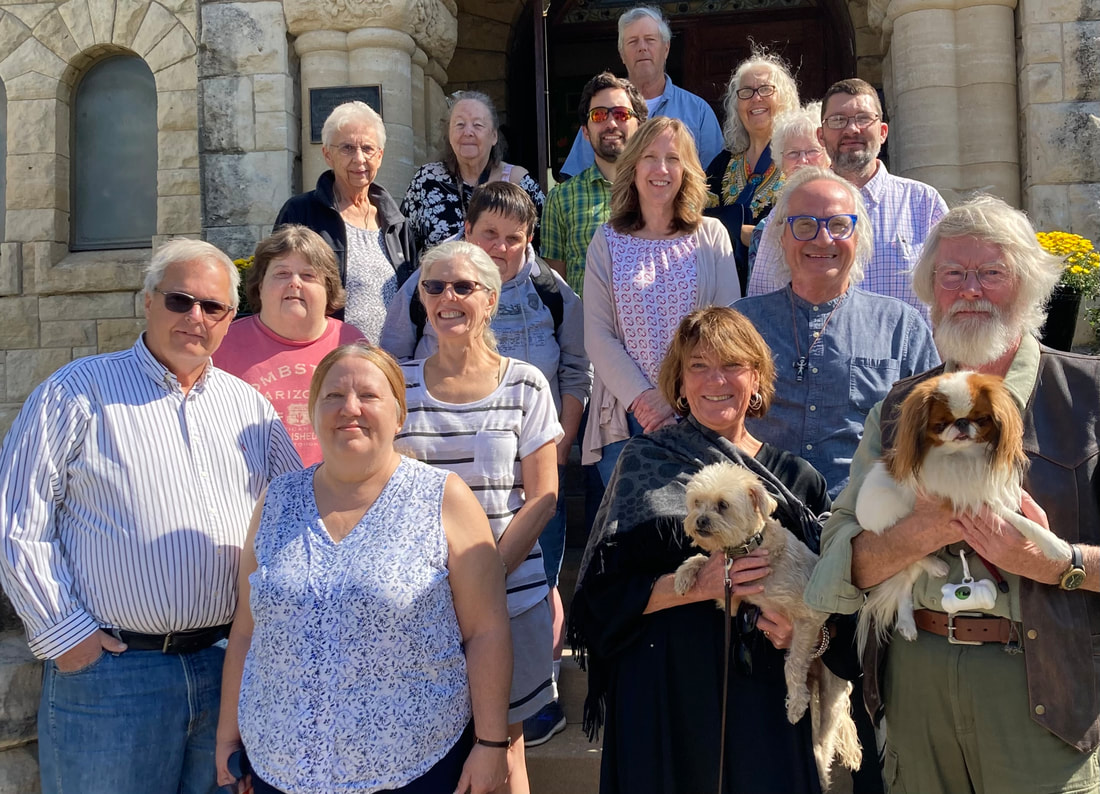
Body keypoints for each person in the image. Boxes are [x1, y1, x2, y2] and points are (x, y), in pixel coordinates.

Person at [806, 195, 1100, 794]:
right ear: (931, 292)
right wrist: (919, 531)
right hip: (917, 682)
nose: (970, 290)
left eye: (991, 273)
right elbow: (839, 554)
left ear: (1027, 288)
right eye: (952, 275)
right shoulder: (899, 410)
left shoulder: (1089, 397)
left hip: (1047, 692)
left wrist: (1060, 565)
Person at [0, 240, 301, 794]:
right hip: (113, 679)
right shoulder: (76, 392)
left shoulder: (249, 407)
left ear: (231, 318)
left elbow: (293, 512)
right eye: (180, 300)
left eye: (213, 307)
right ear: (147, 301)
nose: (196, 317)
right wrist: (69, 640)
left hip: (222, 671)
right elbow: (18, 522)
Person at [570, 306, 852, 793]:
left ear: (757, 380)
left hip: (764, 702)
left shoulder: (798, 482)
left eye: (733, 365)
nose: (715, 379)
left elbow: (835, 605)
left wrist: (806, 638)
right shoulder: (644, 461)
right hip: (665, 692)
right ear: (679, 385)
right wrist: (697, 585)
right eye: (698, 366)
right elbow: (603, 597)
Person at [216, 343, 512, 794]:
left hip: (415, 768)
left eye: (368, 396)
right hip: (279, 766)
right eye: (333, 396)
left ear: (399, 415)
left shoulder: (443, 498)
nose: (349, 408)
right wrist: (228, 736)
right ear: (314, 412)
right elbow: (246, 631)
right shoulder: (277, 500)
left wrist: (492, 744)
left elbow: (486, 630)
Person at [394, 241, 563, 794]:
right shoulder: (397, 387)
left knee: (505, 748)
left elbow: (542, 496)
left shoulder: (526, 383)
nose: (448, 297)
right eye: (434, 286)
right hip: (419, 603)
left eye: (463, 286)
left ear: (489, 299)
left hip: (512, 597)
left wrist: (485, 574)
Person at [735, 167, 939, 499]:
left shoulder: (902, 326)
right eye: (804, 225)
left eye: (839, 225)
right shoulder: (742, 323)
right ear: (781, 238)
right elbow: (711, 427)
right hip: (763, 514)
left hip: (866, 515)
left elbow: (932, 435)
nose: (823, 239)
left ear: (858, 238)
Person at [582, 116, 741, 484]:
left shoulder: (710, 236)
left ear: (687, 171)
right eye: (651, 157)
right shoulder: (606, 242)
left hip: (698, 411)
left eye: (673, 159)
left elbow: (725, 327)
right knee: (630, 536)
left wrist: (672, 398)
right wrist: (644, 400)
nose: (662, 169)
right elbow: (598, 335)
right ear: (633, 167)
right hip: (625, 416)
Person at [747, 78, 948, 320]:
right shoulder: (792, 206)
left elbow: (950, 294)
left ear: (883, 132)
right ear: (821, 136)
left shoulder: (923, 203)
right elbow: (762, 300)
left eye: (863, 118)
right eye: (838, 120)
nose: (851, 129)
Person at [214, 225, 365, 466]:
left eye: (308, 275)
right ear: (260, 286)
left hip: (336, 491)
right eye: (282, 274)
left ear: (328, 289)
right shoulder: (222, 344)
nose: (295, 283)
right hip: (250, 490)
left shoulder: (352, 343)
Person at [274, 101, 417, 341]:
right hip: (327, 359)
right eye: (347, 148)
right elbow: (275, 286)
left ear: (380, 156)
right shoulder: (301, 213)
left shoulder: (396, 223)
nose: (359, 159)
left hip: (392, 362)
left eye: (368, 148)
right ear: (327, 155)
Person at [558, 6, 723, 178]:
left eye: (650, 39)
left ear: (666, 49)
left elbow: (713, 181)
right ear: (622, 54)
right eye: (633, 41)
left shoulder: (698, 112)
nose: (642, 47)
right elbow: (575, 178)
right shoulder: (600, 112)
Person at [542, 72, 647, 296]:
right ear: (586, 132)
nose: (611, 123)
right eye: (599, 115)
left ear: (639, 126)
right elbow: (555, 290)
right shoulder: (561, 198)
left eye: (621, 114)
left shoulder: (661, 191)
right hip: (585, 329)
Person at [401, 91, 546, 254]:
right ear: (449, 134)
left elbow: (545, 246)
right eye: (460, 124)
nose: (468, 132)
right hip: (441, 279)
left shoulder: (519, 182)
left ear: (493, 136)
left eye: (477, 125)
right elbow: (405, 245)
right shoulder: (426, 181)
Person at [704, 50, 800, 292]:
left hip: (782, 289)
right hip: (725, 290)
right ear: (736, 105)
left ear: (785, 98)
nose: (756, 98)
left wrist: (741, 232)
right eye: (746, 92)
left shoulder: (799, 157)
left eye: (766, 89)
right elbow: (695, 220)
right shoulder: (721, 163)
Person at [746, 103, 830, 270]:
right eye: (793, 153)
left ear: (829, 156)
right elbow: (758, 289)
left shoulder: (849, 211)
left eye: (813, 151)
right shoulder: (767, 228)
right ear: (781, 162)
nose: (803, 160)